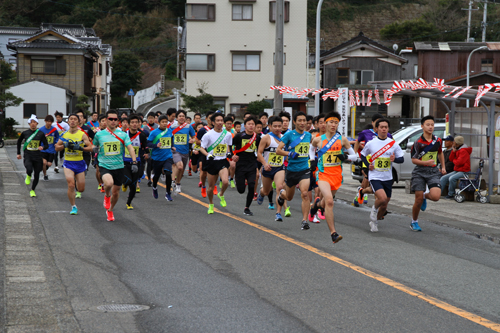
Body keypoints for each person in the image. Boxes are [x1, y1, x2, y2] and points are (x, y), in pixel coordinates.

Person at [308, 112, 358, 242]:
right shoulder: (318, 139)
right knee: (330, 201)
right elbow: (311, 148)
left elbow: (355, 156)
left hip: (337, 175)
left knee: (325, 202)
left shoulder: (342, 139)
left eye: (336, 122)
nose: (333, 125)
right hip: (323, 174)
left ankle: (315, 206)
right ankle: (333, 233)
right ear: (325, 123)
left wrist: (346, 157)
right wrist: (312, 160)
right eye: (331, 122)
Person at [359, 118, 404, 232]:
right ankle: (374, 209)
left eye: (386, 127)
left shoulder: (392, 143)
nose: (384, 129)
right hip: (375, 176)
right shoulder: (371, 143)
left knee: (384, 205)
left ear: (388, 129)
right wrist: (368, 164)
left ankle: (374, 222)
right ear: (377, 129)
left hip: (388, 177)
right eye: (381, 127)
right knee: (382, 198)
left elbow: (401, 159)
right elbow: (363, 155)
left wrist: (395, 159)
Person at [93, 110, 138, 221]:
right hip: (104, 165)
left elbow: (130, 148)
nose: (113, 121)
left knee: (116, 192)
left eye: (115, 119)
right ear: (106, 120)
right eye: (110, 119)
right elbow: (94, 146)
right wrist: (94, 150)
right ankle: (107, 195)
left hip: (119, 166)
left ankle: (110, 210)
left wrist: (134, 161)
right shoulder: (99, 134)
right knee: (109, 183)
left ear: (118, 121)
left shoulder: (122, 134)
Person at [276, 112, 312, 230]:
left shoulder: (308, 136)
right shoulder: (289, 135)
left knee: (305, 193)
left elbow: (314, 148)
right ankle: (282, 195)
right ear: (295, 122)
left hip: (304, 169)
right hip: (291, 170)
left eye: (304, 120)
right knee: (289, 197)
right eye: (300, 120)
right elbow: (278, 150)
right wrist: (290, 153)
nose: (302, 123)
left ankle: (304, 221)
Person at [410, 115, 446, 231]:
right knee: (418, 200)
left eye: (432, 125)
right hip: (419, 172)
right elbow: (413, 160)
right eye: (428, 125)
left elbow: (440, 153)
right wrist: (426, 163)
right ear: (422, 126)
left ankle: (425, 196)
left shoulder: (438, 140)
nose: (430, 127)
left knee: (436, 197)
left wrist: (443, 167)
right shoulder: (418, 142)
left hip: (433, 171)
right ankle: (414, 221)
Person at [55, 114, 93, 215]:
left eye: (75, 119)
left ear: (78, 122)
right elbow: (56, 147)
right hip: (68, 162)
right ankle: (73, 206)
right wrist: (64, 145)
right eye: (70, 119)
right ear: (68, 121)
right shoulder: (64, 134)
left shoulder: (82, 134)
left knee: (81, 188)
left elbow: (91, 148)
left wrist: (80, 148)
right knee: (71, 185)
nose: (72, 121)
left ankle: (77, 183)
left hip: (79, 162)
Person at [353, 114, 392, 207]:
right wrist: (355, 154)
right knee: (367, 177)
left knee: (376, 186)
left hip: (382, 163)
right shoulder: (366, 133)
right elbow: (357, 141)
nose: (380, 125)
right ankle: (365, 194)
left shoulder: (388, 135)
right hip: (368, 161)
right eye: (377, 122)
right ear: (373, 123)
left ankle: (362, 192)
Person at [200, 112, 233, 214]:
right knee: (210, 187)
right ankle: (211, 204)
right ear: (213, 122)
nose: (220, 122)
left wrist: (228, 153)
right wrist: (207, 155)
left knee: (225, 182)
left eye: (221, 121)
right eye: (217, 121)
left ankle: (221, 194)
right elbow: (202, 148)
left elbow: (227, 145)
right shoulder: (208, 135)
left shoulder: (227, 134)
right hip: (211, 162)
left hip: (222, 161)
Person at [257, 115, 286, 221]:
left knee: (279, 188)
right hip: (267, 168)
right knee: (266, 191)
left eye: (279, 126)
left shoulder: (284, 138)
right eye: (275, 126)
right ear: (269, 126)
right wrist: (265, 164)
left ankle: (278, 213)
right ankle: (261, 193)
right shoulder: (265, 138)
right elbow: (259, 153)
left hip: (279, 167)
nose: (277, 128)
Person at [232, 116, 261, 215]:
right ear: (245, 126)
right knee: (241, 190)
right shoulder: (239, 136)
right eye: (249, 124)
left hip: (252, 164)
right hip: (240, 164)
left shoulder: (257, 137)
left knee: (252, 185)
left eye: (253, 124)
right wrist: (233, 155)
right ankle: (239, 181)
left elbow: (260, 150)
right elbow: (230, 146)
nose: (251, 126)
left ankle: (247, 208)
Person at [17, 115, 49, 197]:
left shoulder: (41, 134)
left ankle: (32, 190)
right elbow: (19, 142)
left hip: (37, 156)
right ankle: (28, 175)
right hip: (28, 155)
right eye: (31, 122)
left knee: (37, 174)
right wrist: (18, 153)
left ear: (37, 123)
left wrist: (42, 147)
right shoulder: (25, 133)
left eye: (34, 122)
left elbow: (46, 145)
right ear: (29, 124)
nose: (33, 124)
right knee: (29, 168)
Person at [122, 114, 149, 209]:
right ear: (128, 124)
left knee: (134, 184)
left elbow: (145, 146)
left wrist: (147, 153)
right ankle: (125, 183)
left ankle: (129, 203)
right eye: (132, 122)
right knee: (128, 179)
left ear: (139, 124)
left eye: (136, 122)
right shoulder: (124, 134)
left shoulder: (142, 135)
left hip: (137, 161)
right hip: (125, 161)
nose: (134, 124)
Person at [147, 114, 176, 201]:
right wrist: (156, 145)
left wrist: (172, 146)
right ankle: (155, 187)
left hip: (168, 156)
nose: (164, 123)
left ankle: (168, 193)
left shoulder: (169, 131)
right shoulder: (154, 133)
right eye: (162, 122)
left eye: (166, 122)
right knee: (157, 175)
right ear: (158, 122)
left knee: (168, 173)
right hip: (157, 157)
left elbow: (171, 140)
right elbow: (148, 144)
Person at [172, 110, 196, 193]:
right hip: (175, 151)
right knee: (180, 166)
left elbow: (194, 137)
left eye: (183, 116)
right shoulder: (172, 126)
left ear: (185, 118)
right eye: (180, 116)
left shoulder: (189, 127)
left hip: (185, 151)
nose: (181, 117)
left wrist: (192, 140)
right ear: (176, 117)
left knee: (181, 171)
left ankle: (177, 182)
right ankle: (175, 182)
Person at [196, 111, 217, 197]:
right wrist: (205, 143)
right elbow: (197, 141)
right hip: (205, 153)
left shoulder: (218, 130)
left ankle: (214, 186)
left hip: (215, 153)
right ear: (206, 119)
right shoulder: (202, 130)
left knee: (215, 171)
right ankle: (204, 187)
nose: (211, 120)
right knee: (204, 172)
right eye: (209, 118)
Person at [39, 115, 60, 181]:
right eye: (48, 121)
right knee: (44, 163)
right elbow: (38, 138)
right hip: (43, 150)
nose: (49, 123)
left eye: (50, 122)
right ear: (45, 121)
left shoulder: (54, 130)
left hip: (51, 150)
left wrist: (56, 142)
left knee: (49, 164)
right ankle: (45, 175)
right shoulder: (41, 129)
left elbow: (57, 137)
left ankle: (43, 168)